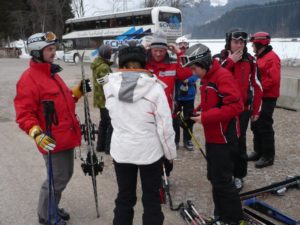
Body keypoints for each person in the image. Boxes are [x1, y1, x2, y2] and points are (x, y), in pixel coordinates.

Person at [14, 32, 90, 225]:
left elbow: (64, 102)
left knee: (64, 176)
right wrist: (36, 133)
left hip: (67, 136)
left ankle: (51, 207)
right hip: (51, 139)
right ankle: (47, 216)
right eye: (49, 49)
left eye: (54, 48)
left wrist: (78, 92)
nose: (53, 52)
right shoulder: (29, 79)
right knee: (56, 179)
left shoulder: (52, 74)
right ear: (36, 52)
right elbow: (24, 114)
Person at [100, 41, 176, 225]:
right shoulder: (155, 88)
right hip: (149, 152)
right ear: (144, 63)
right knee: (151, 200)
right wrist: (170, 154)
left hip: (122, 151)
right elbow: (165, 127)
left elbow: (111, 116)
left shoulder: (109, 86)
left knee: (124, 198)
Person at [180, 43, 244, 225]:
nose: (193, 73)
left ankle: (234, 219)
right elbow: (210, 104)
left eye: (194, 68)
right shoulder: (208, 78)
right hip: (213, 137)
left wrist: (206, 117)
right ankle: (221, 215)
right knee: (215, 178)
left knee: (223, 180)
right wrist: (193, 114)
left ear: (204, 62)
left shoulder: (222, 76)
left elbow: (235, 106)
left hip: (224, 139)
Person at [214, 29, 263, 190]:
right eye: (236, 42)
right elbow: (213, 80)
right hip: (223, 109)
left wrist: (256, 110)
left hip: (242, 110)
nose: (239, 45)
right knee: (222, 143)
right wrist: (229, 62)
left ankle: (239, 175)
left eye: (242, 42)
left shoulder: (250, 60)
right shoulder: (218, 59)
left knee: (239, 144)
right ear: (229, 42)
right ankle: (223, 174)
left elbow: (257, 86)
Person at [146, 31, 191, 176]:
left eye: (161, 50)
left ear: (166, 50)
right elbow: (127, 64)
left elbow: (187, 73)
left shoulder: (172, 63)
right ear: (150, 49)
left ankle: (166, 174)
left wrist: (178, 52)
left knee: (166, 145)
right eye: (155, 50)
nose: (158, 54)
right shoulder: (144, 62)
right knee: (150, 145)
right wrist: (141, 49)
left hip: (166, 113)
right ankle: (151, 173)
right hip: (147, 113)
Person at [248, 31, 281, 168]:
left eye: (253, 44)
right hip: (259, 96)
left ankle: (268, 156)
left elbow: (273, 80)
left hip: (268, 97)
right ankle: (258, 151)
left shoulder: (271, 58)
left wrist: (257, 87)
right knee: (255, 124)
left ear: (259, 43)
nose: (252, 47)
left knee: (265, 125)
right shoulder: (260, 57)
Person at [173, 36, 198, 151]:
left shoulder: (193, 58)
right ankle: (175, 140)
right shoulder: (174, 58)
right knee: (175, 119)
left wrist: (190, 79)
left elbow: (197, 72)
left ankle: (187, 140)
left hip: (189, 95)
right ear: (177, 46)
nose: (183, 47)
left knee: (189, 118)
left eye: (185, 44)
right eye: (181, 44)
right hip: (177, 95)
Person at [91, 44, 113, 154]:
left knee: (103, 123)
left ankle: (100, 146)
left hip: (100, 99)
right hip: (105, 99)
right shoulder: (104, 67)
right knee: (110, 124)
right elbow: (108, 84)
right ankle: (108, 148)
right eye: (110, 52)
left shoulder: (97, 64)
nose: (111, 54)